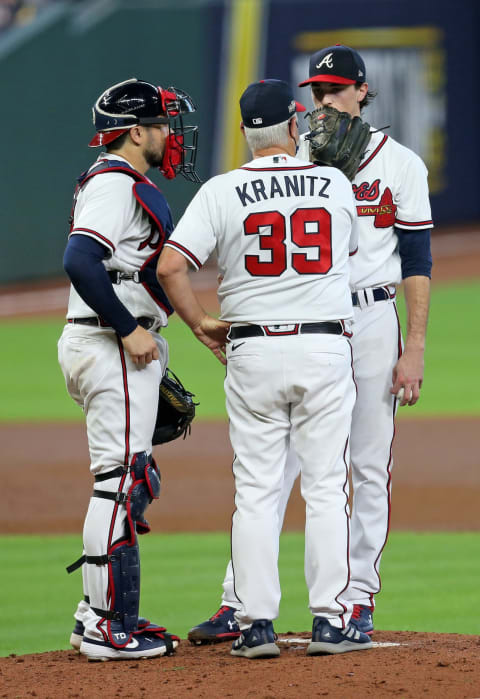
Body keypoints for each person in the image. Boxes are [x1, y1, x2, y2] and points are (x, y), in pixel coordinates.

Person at [188, 45, 432, 643]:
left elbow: (418, 259)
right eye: (316, 93)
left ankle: (356, 599)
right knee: (278, 469)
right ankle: (238, 600)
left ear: (362, 91)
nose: (324, 101)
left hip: (372, 318)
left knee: (367, 465)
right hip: (308, 320)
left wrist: (415, 343)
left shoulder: (401, 165)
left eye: (335, 90)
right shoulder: (296, 161)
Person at [157, 78, 373, 658]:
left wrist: (202, 323)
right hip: (324, 348)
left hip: (250, 349)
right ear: (295, 127)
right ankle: (329, 621)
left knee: (255, 490)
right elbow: (346, 256)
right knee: (327, 486)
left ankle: (256, 627)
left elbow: (171, 267)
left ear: (247, 133)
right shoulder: (333, 182)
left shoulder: (222, 191)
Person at [58, 77, 200, 661]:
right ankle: (106, 626)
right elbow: (79, 260)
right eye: (164, 125)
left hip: (105, 343)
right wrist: (129, 327)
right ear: (136, 131)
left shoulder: (119, 181)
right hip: (106, 343)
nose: (171, 136)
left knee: (129, 482)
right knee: (118, 484)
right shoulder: (115, 183)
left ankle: (98, 614)